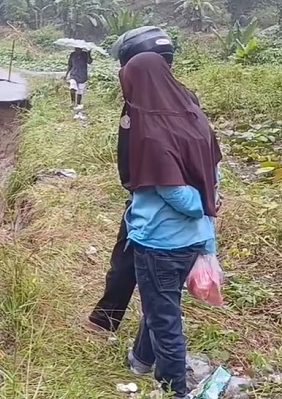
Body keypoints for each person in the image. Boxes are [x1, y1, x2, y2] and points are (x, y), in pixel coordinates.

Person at [118, 51, 222, 398]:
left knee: (165, 319)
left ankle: (174, 389)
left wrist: (200, 204)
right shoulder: (194, 117)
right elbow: (213, 171)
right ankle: (140, 359)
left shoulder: (151, 131)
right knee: (160, 302)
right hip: (192, 239)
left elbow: (172, 190)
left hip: (161, 242)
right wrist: (208, 207)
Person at [87, 26, 179, 333]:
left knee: (140, 266)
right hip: (164, 197)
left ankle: (127, 330)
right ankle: (114, 323)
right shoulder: (177, 98)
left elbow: (143, 164)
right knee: (138, 264)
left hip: (158, 198)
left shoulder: (145, 108)